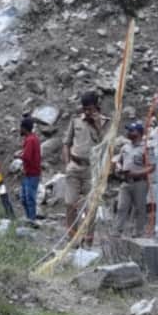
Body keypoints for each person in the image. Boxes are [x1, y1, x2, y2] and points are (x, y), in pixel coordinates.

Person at [62, 91, 109, 245]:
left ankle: (88, 240)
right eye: (85, 109)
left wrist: (96, 125)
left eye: (90, 108)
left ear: (97, 106)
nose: (87, 112)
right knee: (70, 203)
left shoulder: (104, 122)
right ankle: (72, 240)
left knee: (91, 208)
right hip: (74, 167)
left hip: (91, 170)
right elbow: (66, 143)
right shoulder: (76, 120)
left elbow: (106, 145)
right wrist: (67, 163)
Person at [114, 122, 155, 238]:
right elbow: (118, 161)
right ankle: (117, 231)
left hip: (140, 183)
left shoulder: (146, 148)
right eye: (129, 130)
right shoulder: (125, 147)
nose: (129, 133)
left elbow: (152, 167)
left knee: (139, 208)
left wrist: (136, 173)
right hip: (125, 182)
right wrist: (118, 168)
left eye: (131, 131)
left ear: (139, 133)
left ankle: (138, 232)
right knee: (121, 207)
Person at [19, 117, 42, 223]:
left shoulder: (30, 140)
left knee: (28, 198)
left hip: (30, 173)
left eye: (21, 127)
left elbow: (27, 157)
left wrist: (18, 156)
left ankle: (31, 219)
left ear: (24, 128)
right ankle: (30, 218)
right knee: (25, 198)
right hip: (31, 173)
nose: (20, 130)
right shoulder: (34, 138)